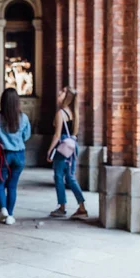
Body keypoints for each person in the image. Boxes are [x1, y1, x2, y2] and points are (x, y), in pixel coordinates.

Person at [47, 86, 87, 219]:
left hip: (63, 147)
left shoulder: (61, 113)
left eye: (62, 92)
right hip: (72, 146)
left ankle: (62, 206)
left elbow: (57, 135)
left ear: (67, 97)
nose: (59, 94)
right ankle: (81, 206)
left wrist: (50, 150)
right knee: (70, 177)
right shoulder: (74, 113)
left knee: (58, 176)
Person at [0, 88, 31, 225]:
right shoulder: (24, 117)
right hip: (19, 155)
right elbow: (26, 136)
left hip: (3, 155)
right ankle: (10, 215)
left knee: (0, 184)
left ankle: (3, 209)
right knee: (12, 186)